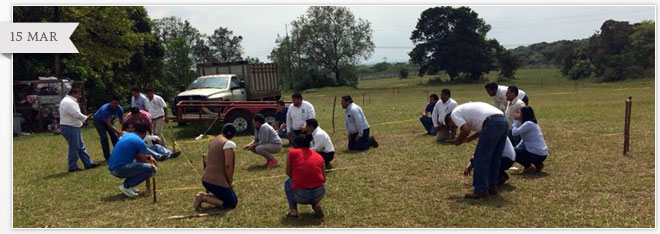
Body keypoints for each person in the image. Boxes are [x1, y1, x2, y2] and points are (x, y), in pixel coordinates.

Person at [445, 102, 507, 199]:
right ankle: (492, 186)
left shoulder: (454, 114)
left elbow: (466, 130)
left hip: (491, 123)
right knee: (494, 157)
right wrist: (469, 139)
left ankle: (481, 189)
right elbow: (482, 128)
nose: (456, 127)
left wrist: (458, 140)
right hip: (502, 120)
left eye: (453, 126)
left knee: (480, 158)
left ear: (450, 119)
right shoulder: (465, 110)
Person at [194, 124, 239, 210]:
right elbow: (228, 165)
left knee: (232, 198)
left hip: (206, 179)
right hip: (216, 181)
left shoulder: (215, 140)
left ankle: (209, 197)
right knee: (231, 203)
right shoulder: (228, 144)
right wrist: (230, 181)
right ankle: (203, 197)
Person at [108, 124, 158, 198]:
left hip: (113, 167)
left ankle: (128, 186)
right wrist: (148, 184)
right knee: (152, 169)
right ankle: (126, 186)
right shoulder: (140, 142)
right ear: (145, 133)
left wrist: (148, 157)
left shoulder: (127, 136)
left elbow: (134, 154)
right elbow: (144, 162)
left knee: (138, 164)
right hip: (120, 169)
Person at [284, 133, 326, 219]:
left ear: (295, 144)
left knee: (287, 182)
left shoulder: (292, 153)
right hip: (319, 193)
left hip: (301, 195)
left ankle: (293, 211)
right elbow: (324, 179)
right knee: (313, 182)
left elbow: (288, 173)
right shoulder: (318, 156)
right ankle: (316, 205)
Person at [58, 88, 101, 172]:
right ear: (74, 94)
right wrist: (87, 118)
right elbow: (76, 114)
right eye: (79, 94)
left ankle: (88, 163)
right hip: (70, 127)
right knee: (74, 147)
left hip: (73, 126)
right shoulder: (69, 102)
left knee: (81, 146)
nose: (80, 96)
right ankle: (72, 166)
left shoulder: (68, 101)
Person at [512, 106, 548, 174]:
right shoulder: (532, 123)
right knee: (516, 150)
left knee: (513, 151)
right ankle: (538, 164)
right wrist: (516, 149)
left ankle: (528, 167)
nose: (518, 114)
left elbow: (514, 133)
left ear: (524, 114)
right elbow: (523, 141)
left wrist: (515, 121)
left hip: (536, 153)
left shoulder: (528, 124)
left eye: (519, 113)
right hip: (542, 154)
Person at [93, 96, 124, 161]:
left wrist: (124, 130)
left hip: (109, 121)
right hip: (99, 121)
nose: (115, 105)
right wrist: (117, 131)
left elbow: (121, 121)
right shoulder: (105, 109)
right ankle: (107, 156)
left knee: (114, 137)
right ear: (110, 102)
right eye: (113, 103)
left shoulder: (119, 109)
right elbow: (108, 124)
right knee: (104, 137)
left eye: (116, 103)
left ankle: (119, 153)